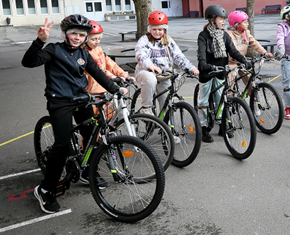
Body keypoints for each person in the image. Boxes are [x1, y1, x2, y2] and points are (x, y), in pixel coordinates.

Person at [22, 15, 126, 214]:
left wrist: (115, 89)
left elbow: (99, 74)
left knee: (91, 134)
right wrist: (40, 41)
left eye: (82, 35)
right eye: (74, 34)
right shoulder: (54, 50)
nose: (78, 37)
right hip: (59, 102)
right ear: (65, 34)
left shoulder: (84, 55)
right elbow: (29, 62)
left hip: (81, 99)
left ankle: (86, 171)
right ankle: (45, 190)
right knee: (62, 144)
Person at [197, 5, 251, 143]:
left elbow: (233, 51)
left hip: (221, 70)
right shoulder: (203, 36)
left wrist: (243, 59)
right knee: (203, 101)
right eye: (221, 19)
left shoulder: (224, 35)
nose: (223, 22)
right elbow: (201, 54)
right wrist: (203, 64)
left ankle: (222, 125)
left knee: (220, 99)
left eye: (224, 19)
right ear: (212, 20)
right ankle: (203, 127)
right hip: (207, 71)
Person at [135, 11, 199, 116]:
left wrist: (190, 68)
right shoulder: (144, 40)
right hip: (145, 71)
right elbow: (140, 54)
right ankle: (146, 108)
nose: (157, 32)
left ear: (165, 29)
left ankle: (166, 127)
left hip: (164, 74)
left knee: (167, 103)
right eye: (154, 29)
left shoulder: (168, 40)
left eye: (160, 29)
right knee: (150, 78)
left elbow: (178, 56)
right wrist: (150, 65)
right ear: (149, 29)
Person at [83, 20, 135, 122]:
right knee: (92, 123)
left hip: (104, 88)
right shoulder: (83, 53)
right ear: (85, 39)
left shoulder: (99, 50)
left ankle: (105, 137)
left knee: (108, 115)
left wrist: (124, 75)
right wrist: (112, 77)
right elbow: (98, 71)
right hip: (90, 92)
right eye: (93, 39)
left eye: (99, 38)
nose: (97, 41)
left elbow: (111, 65)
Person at [226, 10, 273, 97]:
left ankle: (254, 101)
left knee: (250, 81)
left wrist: (265, 52)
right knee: (230, 83)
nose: (247, 24)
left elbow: (255, 43)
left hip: (242, 61)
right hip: (230, 63)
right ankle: (228, 102)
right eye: (244, 22)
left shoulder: (246, 33)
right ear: (237, 24)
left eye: (247, 22)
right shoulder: (229, 35)